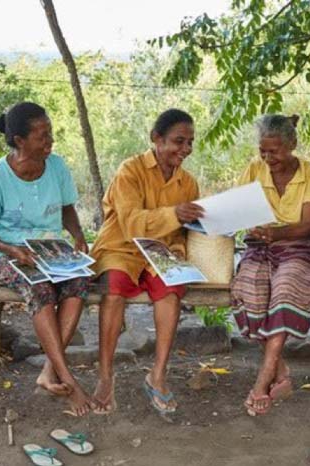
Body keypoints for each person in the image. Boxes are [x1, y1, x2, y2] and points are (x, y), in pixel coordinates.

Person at [0, 102, 96, 415]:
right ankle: (67, 378)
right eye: (41, 136)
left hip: (49, 249)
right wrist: (13, 250)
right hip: (3, 253)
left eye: (50, 133)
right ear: (19, 141)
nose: (49, 141)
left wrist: (78, 236)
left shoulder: (56, 166)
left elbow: (68, 209)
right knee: (40, 288)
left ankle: (48, 372)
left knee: (80, 279)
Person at [89, 109, 204, 414]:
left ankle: (158, 374)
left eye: (190, 143)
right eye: (178, 141)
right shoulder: (130, 170)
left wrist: (177, 251)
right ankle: (105, 376)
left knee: (170, 289)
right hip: (121, 246)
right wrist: (173, 214)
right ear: (156, 138)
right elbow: (129, 223)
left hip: (160, 251)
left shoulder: (188, 183)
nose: (186, 149)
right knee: (113, 289)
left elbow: (184, 233)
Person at [231, 114, 310, 415]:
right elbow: (240, 212)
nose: (267, 158)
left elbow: (308, 224)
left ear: (292, 145)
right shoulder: (253, 170)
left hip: (299, 245)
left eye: (274, 151)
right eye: (263, 151)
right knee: (248, 289)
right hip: (260, 246)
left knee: (286, 288)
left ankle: (263, 378)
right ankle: (281, 369)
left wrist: (276, 232)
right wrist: (251, 227)